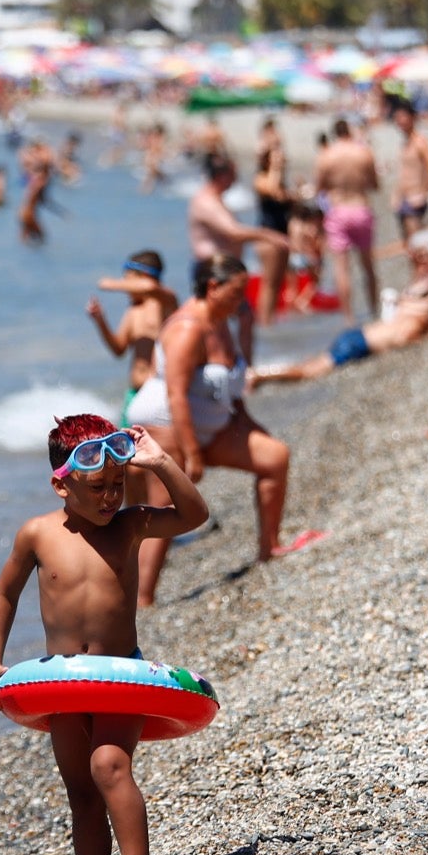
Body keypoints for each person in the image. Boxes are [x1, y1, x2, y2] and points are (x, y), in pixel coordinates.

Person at [0, 415, 208, 855]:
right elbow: (4, 595)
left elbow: (193, 514)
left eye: (118, 484)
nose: (111, 497)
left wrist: (160, 463)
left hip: (119, 675)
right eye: (98, 487)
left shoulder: (130, 526)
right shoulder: (37, 534)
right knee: (80, 790)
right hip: (63, 683)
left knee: (109, 765)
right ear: (62, 485)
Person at [125, 256, 293, 605]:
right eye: (236, 292)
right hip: (165, 422)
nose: (242, 300)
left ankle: (269, 548)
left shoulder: (221, 321)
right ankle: (141, 599)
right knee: (165, 504)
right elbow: (176, 395)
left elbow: (231, 386)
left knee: (275, 456)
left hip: (213, 425)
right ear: (213, 287)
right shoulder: (188, 327)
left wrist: (248, 423)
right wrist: (192, 455)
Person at [188, 153, 289, 334]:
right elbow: (233, 232)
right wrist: (268, 235)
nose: (236, 178)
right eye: (233, 174)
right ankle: (228, 360)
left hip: (224, 270)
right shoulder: (206, 201)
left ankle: (241, 360)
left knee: (243, 317)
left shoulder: (215, 198)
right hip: (213, 271)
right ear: (222, 175)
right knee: (220, 320)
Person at [249, 298, 428, 387]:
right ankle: (261, 375)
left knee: (311, 365)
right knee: (308, 373)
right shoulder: (417, 326)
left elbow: (400, 305)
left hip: (355, 334)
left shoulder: (414, 311)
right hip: (358, 345)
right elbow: (401, 340)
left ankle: (265, 374)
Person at [86, 250, 179, 427]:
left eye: (127, 279)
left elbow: (149, 287)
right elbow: (118, 349)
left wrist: (109, 284)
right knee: (126, 451)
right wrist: (100, 320)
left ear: (143, 276)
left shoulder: (166, 302)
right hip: (134, 393)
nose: (125, 286)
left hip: (159, 393)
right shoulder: (133, 311)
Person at [314, 118, 380, 321]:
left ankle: (349, 317)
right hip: (360, 208)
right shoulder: (363, 153)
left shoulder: (327, 156)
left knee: (342, 268)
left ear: (334, 133)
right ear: (349, 132)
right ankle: (374, 311)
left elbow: (320, 188)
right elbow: (375, 184)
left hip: (339, 211)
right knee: (368, 266)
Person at [388, 96, 428, 241]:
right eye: (397, 118)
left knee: (417, 244)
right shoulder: (405, 142)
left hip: (415, 198)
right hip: (404, 199)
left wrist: (424, 192)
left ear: (412, 117)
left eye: (403, 117)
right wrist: (396, 194)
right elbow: (404, 173)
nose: (399, 121)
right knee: (408, 243)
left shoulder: (420, 142)